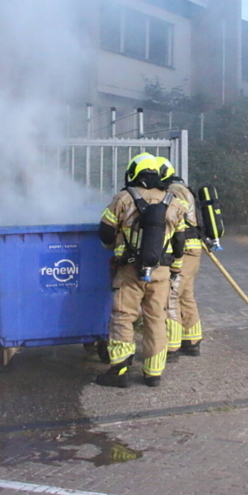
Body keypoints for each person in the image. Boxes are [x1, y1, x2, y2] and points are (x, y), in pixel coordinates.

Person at [96, 153, 185, 388]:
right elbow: (179, 243)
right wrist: (174, 269)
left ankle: (120, 370)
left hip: (130, 270)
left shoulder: (123, 198)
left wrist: (115, 246)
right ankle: (153, 373)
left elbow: (105, 232)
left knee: (124, 316)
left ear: (134, 173)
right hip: (161, 272)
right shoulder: (173, 202)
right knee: (156, 318)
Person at [156, 157, 204, 359]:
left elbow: (176, 214)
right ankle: (192, 340)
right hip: (192, 249)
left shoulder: (175, 189)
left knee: (172, 295)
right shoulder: (181, 187)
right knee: (185, 295)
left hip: (184, 250)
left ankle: (172, 345)